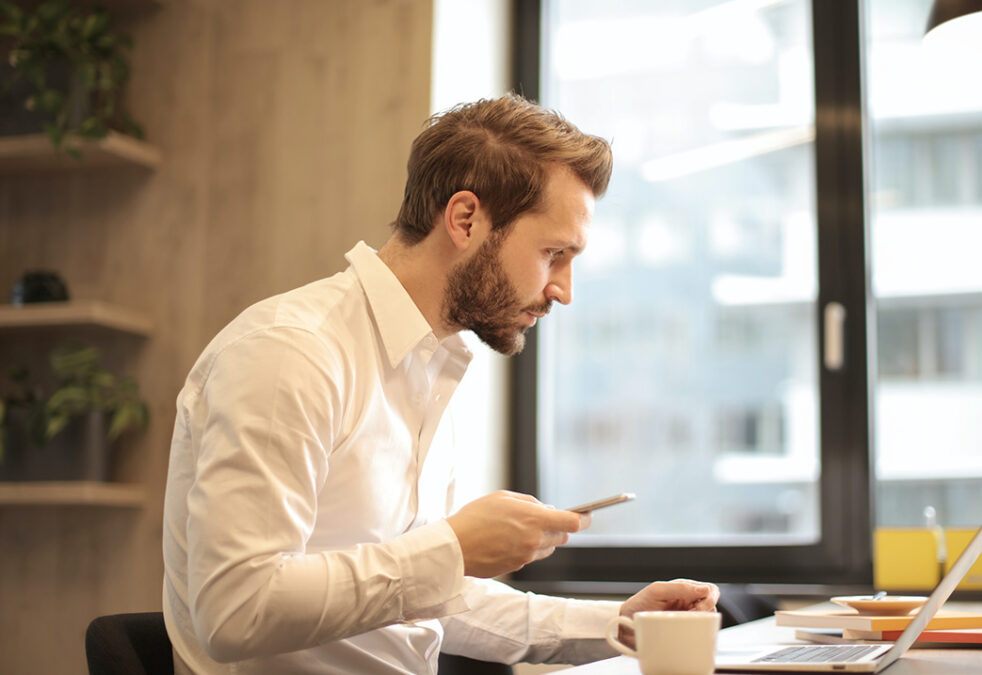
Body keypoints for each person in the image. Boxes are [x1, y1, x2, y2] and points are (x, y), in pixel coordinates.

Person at [162, 94, 720, 675]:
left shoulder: (429, 368)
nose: (564, 290)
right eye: (553, 253)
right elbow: (235, 609)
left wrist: (616, 627)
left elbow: (419, 597)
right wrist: (452, 549)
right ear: (465, 220)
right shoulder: (289, 353)